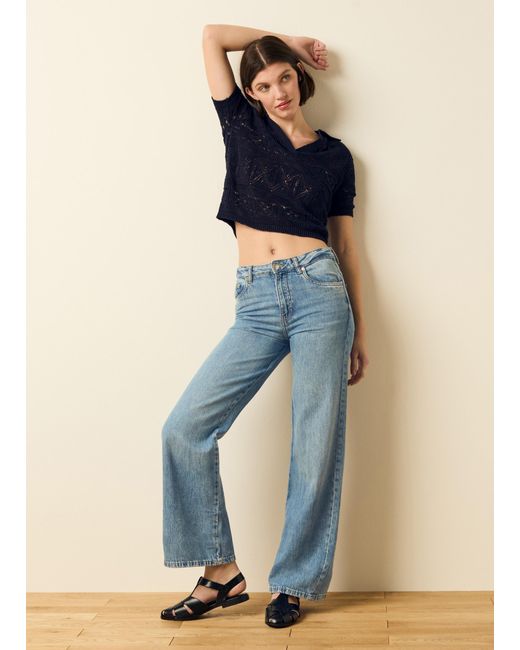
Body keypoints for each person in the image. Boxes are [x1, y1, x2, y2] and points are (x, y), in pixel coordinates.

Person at [160, 24, 369, 628]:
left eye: (285, 79)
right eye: (264, 85)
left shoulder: (336, 157)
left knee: (314, 444)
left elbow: (347, 248)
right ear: (250, 93)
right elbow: (210, 36)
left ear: (299, 81)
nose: (278, 93)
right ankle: (220, 573)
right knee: (184, 429)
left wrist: (361, 331)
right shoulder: (242, 127)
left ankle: (293, 584)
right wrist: (291, 42)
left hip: (320, 294)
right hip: (254, 301)